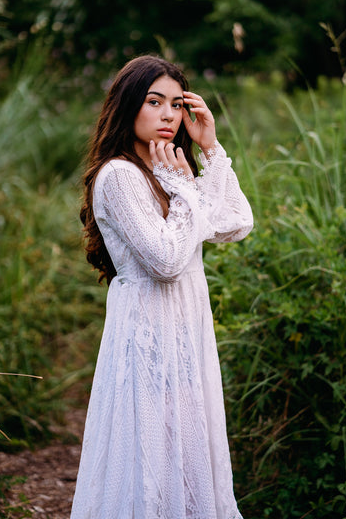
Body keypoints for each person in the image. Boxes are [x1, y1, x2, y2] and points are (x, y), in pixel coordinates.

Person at [70, 55, 253, 519]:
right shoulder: (119, 176)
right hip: (146, 330)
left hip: (186, 332)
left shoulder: (169, 174)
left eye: (176, 104)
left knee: (185, 446)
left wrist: (209, 149)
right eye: (154, 102)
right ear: (129, 105)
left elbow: (236, 221)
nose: (169, 115)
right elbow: (168, 261)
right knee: (147, 452)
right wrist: (185, 189)